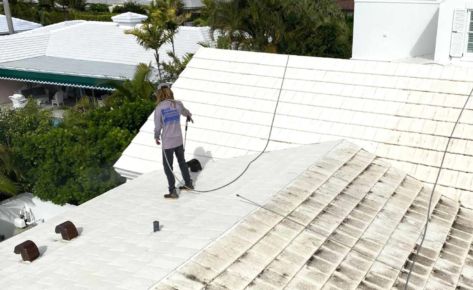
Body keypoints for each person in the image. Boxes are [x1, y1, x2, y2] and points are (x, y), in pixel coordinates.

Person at [154, 83, 194, 199]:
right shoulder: (178, 104)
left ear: (159, 94)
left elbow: (158, 127)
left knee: (168, 167)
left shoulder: (159, 108)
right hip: (178, 140)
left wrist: (156, 137)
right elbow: (186, 112)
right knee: (182, 161)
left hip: (168, 142)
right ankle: (188, 183)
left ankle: (172, 191)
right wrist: (189, 116)